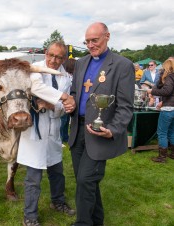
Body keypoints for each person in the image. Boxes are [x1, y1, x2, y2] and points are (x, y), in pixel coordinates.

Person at [65, 22, 134, 226]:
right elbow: (76, 92)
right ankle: (97, 221)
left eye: (94, 40)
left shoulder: (122, 65)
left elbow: (125, 106)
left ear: (107, 36)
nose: (90, 45)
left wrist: (112, 130)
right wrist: (71, 102)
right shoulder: (81, 63)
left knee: (86, 180)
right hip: (78, 130)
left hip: (100, 133)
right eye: (87, 42)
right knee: (86, 182)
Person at [17, 41, 75, 226]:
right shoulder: (35, 69)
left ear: (64, 58)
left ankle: (58, 202)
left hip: (54, 131)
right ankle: (30, 216)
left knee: (57, 172)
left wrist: (51, 105)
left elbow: (63, 110)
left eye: (59, 57)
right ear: (45, 53)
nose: (54, 60)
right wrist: (63, 97)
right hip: (36, 130)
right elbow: (37, 89)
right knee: (33, 177)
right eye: (51, 55)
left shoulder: (66, 75)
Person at [147, 58, 174, 163]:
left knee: (162, 132)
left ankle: (162, 157)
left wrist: (152, 91)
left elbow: (167, 91)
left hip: (168, 109)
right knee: (172, 131)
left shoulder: (170, 77)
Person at [60, 58, 76, 145]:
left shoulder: (72, 76)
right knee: (62, 122)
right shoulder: (65, 75)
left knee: (66, 121)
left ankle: (66, 137)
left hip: (70, 101)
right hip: (63, 101)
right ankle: (61, 139)